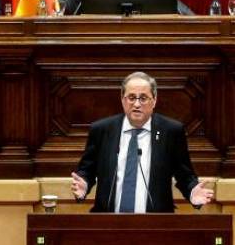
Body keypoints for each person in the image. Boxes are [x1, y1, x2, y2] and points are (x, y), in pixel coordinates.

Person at [70, 71, 213, 213]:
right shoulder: (102, 130)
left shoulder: (171, 131)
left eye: (143, 98)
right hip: (108, 222)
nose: (137, 104)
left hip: (156, 223)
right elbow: (87, 170)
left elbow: (184, 174)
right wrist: (84, 183)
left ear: (154, 100)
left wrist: (192, 191)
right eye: (131, 97)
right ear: (122, 99)